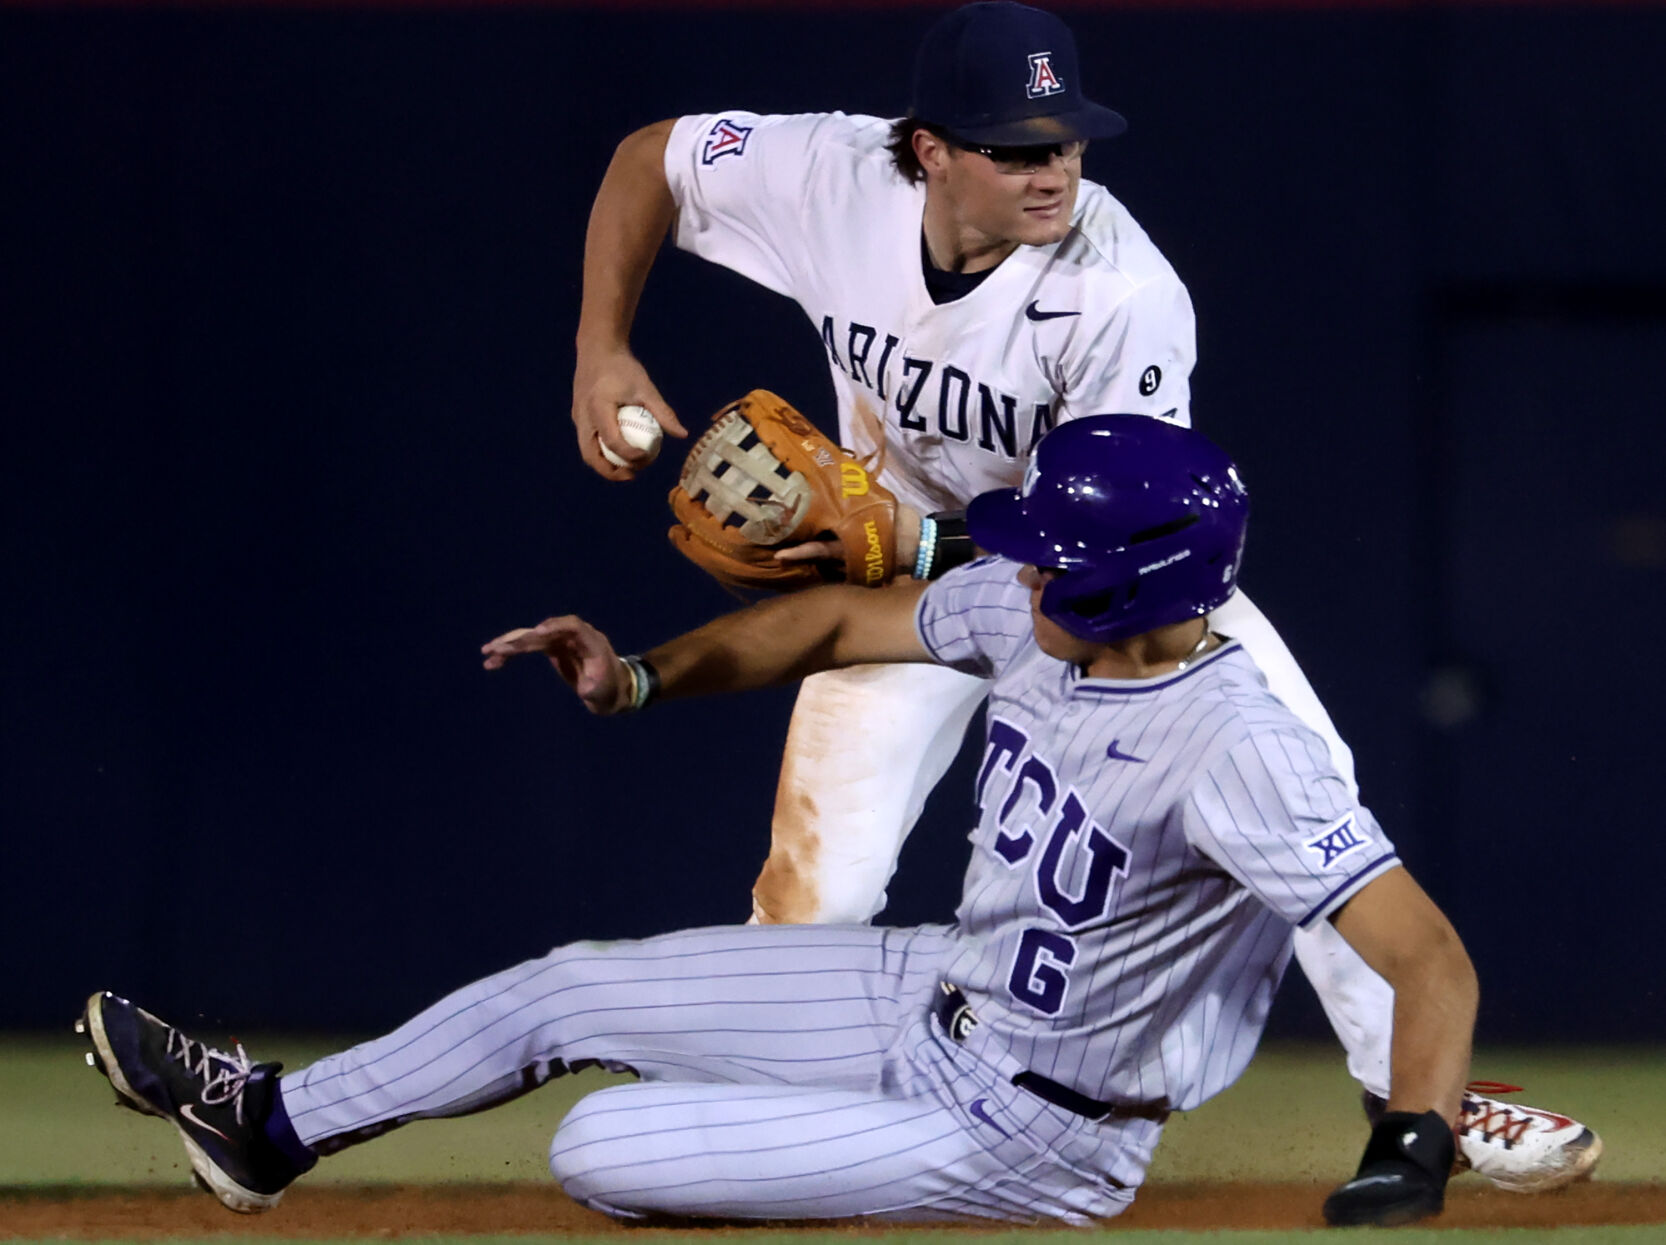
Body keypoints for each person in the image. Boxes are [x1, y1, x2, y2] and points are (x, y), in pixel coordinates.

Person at [567, 0, 1597, 1191]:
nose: (1052, 170)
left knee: (1306, 782)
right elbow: (652, 155)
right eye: (1014, 148)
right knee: (823, 878)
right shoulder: (832, 174)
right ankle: (722, 1081)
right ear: (928, 148)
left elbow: (1120, 547)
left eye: (1065, 141)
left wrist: (917, 542)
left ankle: (1423, 1100)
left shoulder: (1119, 291)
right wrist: (603, 345)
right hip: (902, 579)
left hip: (1096, 589)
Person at [83, 417, 1475, 1227]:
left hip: (1037, 1128)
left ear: (1129, 581)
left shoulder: (1240, 747)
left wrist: (1408, 1145)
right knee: (572, 984)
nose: (1017, 557)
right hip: (929, 992)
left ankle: (783, 1158)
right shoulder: (1030, 619)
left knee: (596, 1153)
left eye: (1052, 546)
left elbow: (1425, 957)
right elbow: (827, 617)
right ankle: (267, 1124)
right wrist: (640, 676)